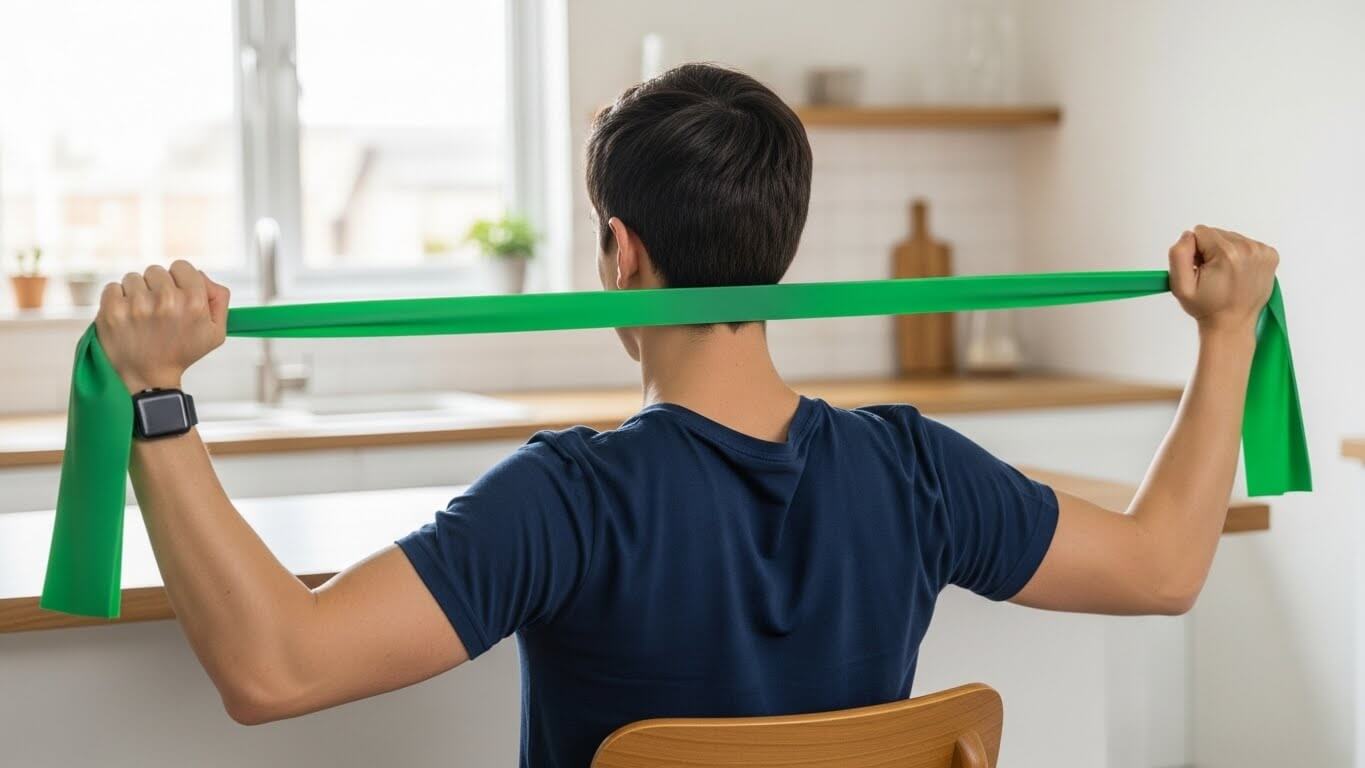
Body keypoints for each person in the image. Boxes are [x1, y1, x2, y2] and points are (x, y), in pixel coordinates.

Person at [95, 64, 1279, 768]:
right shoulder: (915, 471)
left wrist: (159, 396)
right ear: (784, 247)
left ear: (619, 250)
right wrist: (1226, 333)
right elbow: (1170, 566)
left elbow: (273, 668)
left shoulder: (567, 501)